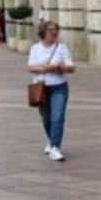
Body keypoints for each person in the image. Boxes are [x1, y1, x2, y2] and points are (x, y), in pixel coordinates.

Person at [28, 21, 75, 162]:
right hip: (41, 88)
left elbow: (72, 68)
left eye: (55, 29)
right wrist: (48, 68)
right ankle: (50, 139)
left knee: (57, 117)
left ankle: (55, 147)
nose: (54, 32)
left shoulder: (61, 48)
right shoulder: (35, 48)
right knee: (46, 118)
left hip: (59, 87)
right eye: (50, 30)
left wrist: (61, 67)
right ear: (43, 32)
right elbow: (31, 67)